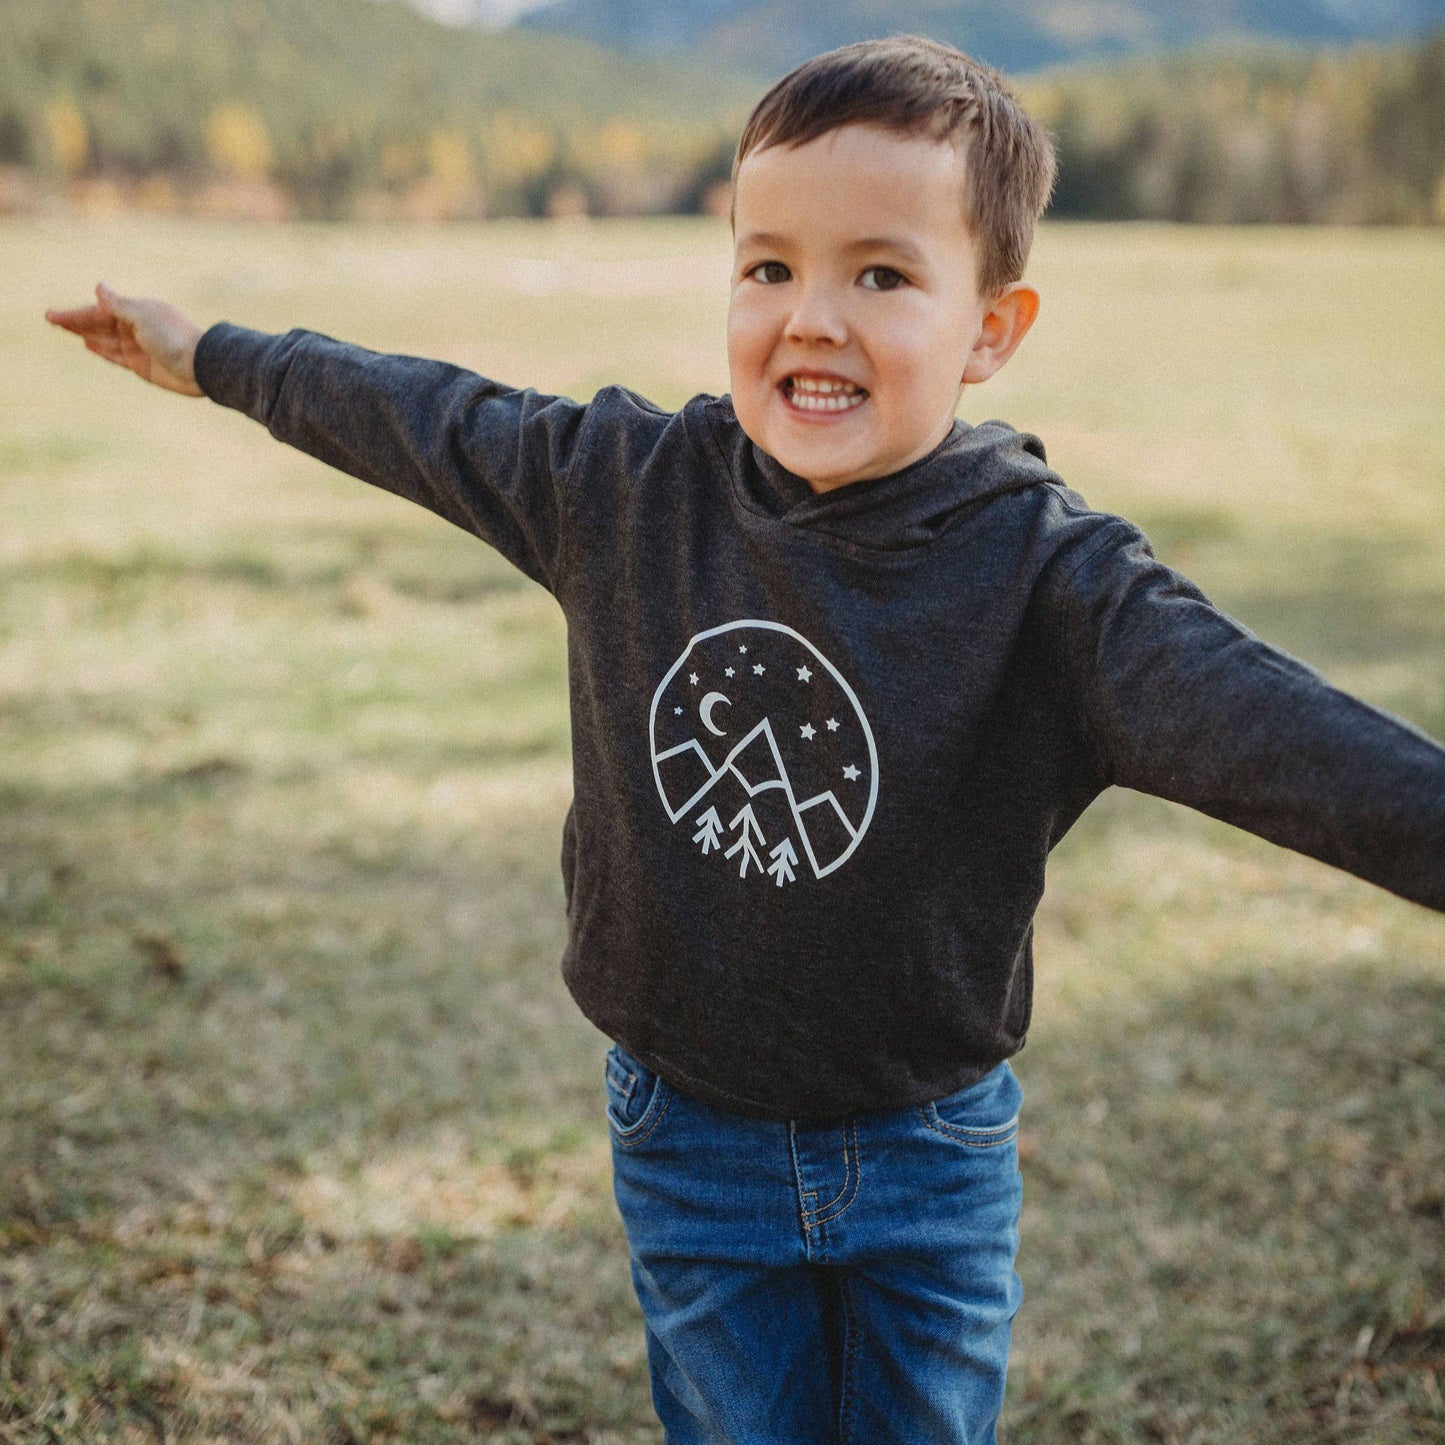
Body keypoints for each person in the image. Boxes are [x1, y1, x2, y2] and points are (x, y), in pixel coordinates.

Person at [46, 35, 1445, 1445]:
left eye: (880, 275)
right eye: (767, 265)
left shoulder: (1051, 582)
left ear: (990, 328)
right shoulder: (624, 489)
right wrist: (214, 354)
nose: (810, 318)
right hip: (687, 1138)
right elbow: (423, 415)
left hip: (929, 1150)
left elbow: (1277, 731)